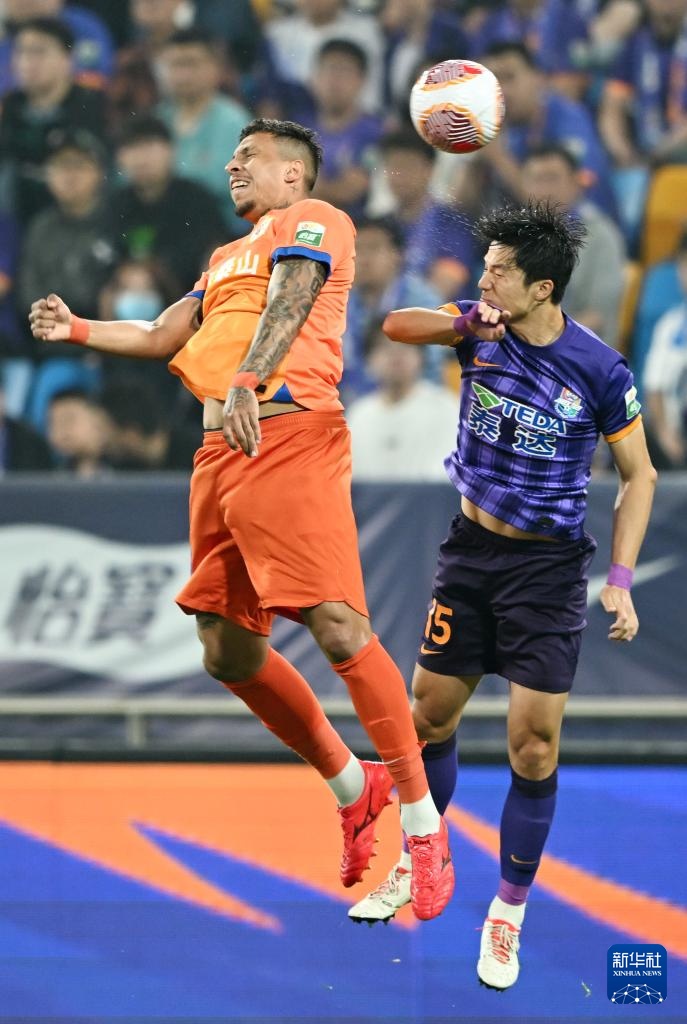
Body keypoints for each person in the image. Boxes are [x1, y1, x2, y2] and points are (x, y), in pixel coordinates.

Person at [28, 117, 454, 921]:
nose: (232, 165)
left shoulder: (315, 219)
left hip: (287, 432)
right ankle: (352, 786)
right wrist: (77, 328)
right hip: (218, 451)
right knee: (226, 650)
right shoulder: (224, 258)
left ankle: (423, 825)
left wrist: (250, 381)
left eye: (248, 156)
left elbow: (293, 296)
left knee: (337, 625)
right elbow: (161, 334)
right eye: (231, 157)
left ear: (293, 173)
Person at [348, 200, 657, 990]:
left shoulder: (599, 369)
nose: (482, 280)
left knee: (533, 746)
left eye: (497, 272)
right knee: (426, 720)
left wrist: (621, 580)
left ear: (542, 287)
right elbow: (395, 327)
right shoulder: (476, 328)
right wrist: (464, 322)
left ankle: (506, 914)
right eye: (482, 268)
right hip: (469, 554)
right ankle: (418, 859)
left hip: (546, 571)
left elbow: (639, 476)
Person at [0, 17, 107, 222]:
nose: (27, 62)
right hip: (16, 216)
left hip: (79, 218)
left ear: (68, 59)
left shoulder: (92, 104)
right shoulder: (11, 105)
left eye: (39, 52)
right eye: (21, 52)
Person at [522, 144, 626, 348]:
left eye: (552, 179)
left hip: (582, 353)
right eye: (536, 180)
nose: (544, 190)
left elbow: (598, 316)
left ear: (575, 182)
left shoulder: (601, 236)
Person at [111, 116, 225, 294]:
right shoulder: (115, 204)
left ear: (171, 151)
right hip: (131, 296)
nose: (140, 158)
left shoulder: (196, 199)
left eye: (149, 146)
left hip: (192, 296)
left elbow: (215, 252)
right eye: (132, 147)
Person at [157, 28, 252, 236]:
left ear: (215, 67)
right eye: (175, 65)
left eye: (191, 63)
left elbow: (225, 184)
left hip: (221, 232)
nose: (183, 74)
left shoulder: (234, 122)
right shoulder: (158, 118)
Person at [347, 322, 458, 482]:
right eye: (385, 347)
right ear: (368, 360)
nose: (396, 354)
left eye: (405, 345)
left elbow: (446, 479)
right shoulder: (358, 415)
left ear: (421, 357)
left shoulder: (446, 408)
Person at [643, 232, 687, 469]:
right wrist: (665, 434)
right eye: (684, 264)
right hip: (674, 442)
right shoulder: (670, 325)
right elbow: (654, 388)